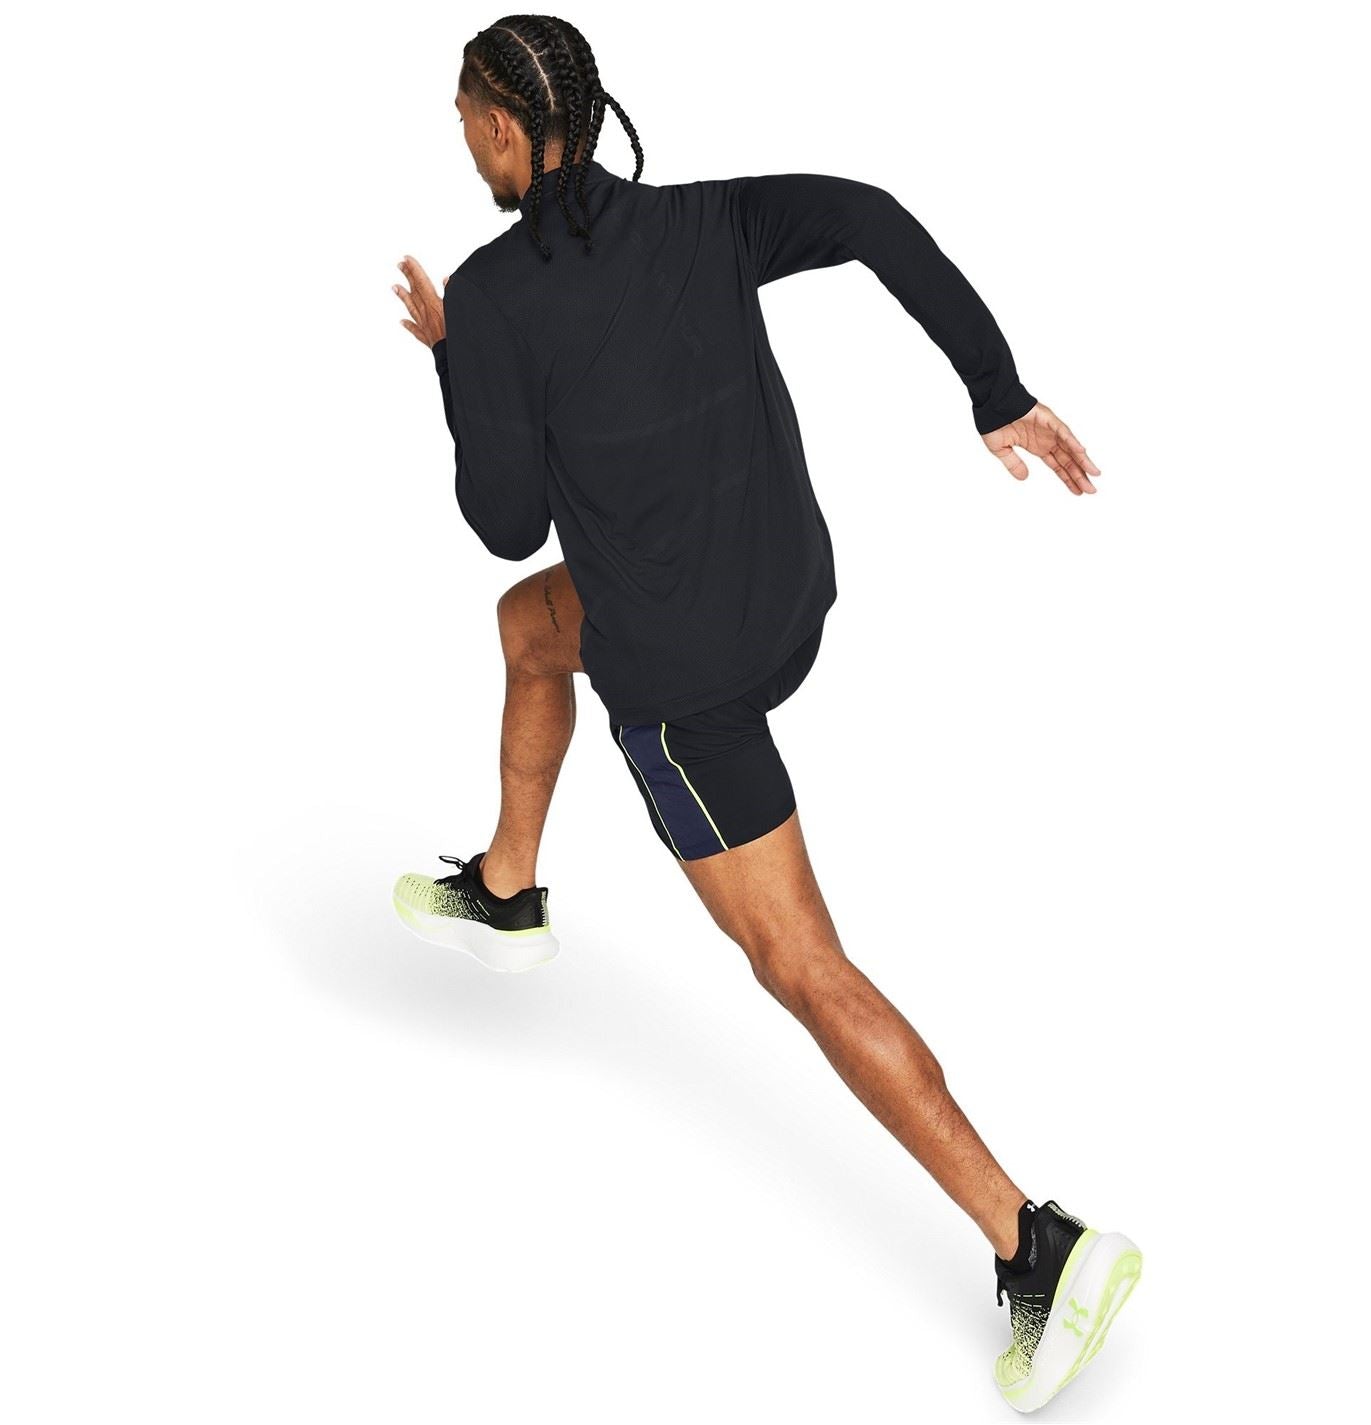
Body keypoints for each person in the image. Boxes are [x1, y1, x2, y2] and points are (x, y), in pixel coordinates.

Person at [389, 14, 1139, 1413]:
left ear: (500, 130)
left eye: (463, 120)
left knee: (799, 965)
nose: (463, 142)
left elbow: (504, 518)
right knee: (530, 630)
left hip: (687, 687)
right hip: (786, 592)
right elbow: (868, 216)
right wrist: (996, 390)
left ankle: (1034, 1242)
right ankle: (508, 888)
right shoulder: (704, 221)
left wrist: (454, 354)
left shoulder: (490, 300)